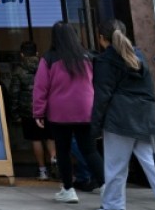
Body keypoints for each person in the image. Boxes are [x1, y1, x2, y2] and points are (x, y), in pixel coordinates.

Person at [91, 19, 155, 210]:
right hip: (144, 117)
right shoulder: (138, 56)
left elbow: (102, 96)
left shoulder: (105, 61)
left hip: (119, 119)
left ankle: (113, 206)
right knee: (152, 164)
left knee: (116, 168)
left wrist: (95, 126)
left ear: (101, 38)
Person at [32, 21, 104, 204]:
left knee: (62, 151)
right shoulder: (88, 57)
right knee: (90, 150)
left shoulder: (49, 58)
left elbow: (41, 88)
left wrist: (38, 112)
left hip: (60, 113)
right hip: (86, 110)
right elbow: (99, 84)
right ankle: (106, 186)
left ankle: (68, 189)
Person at [9, 41, 56, 181]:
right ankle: (56, 163)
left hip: (29, 110)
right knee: (50, 137)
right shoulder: (47, 66)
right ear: (37, 53)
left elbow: (14, 94)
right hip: (48, 109)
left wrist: (14, 113)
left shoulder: (19, 71)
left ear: (22, 54)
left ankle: (42, 170)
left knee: (36, 140)